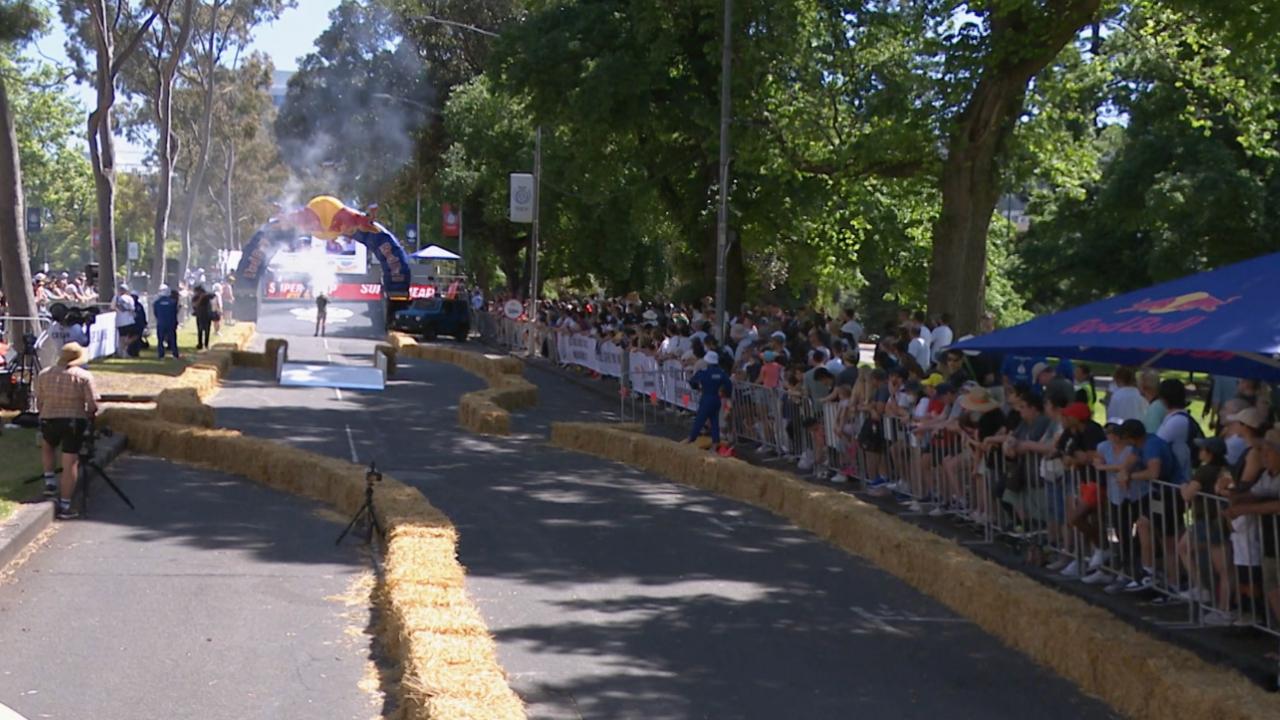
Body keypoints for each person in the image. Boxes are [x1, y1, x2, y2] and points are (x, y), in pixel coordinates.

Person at [34, 343, 98, 520]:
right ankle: (65, 505)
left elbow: (39, 401)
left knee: (47, 446)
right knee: (70, 461)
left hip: (49, 418)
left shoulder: (44, 374)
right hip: (73, 421)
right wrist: (87, 414)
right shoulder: (83, 376)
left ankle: (49, 482)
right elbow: (92, 405)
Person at [686, 351, 732, 448]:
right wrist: (726, 394)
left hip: (706, 397)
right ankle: (715, 443)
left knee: (700, 419)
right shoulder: (721, 373)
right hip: (716, 398)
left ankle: (690, 439)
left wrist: (697, 387)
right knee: (714, 420)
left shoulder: (704, 372)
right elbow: (728, 384)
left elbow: (692, 381)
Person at [153, 286, 180, 359]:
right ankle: (175, 354)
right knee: (173, 339)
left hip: (161, 323)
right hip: (171, 323)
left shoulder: (156, 302)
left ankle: (161, 355)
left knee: (160, 339)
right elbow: (175, 312)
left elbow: (155, 313)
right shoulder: (173, 302)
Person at [112, 283, 137, 358]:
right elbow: (132, 309)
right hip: (128, 320)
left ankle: (121, 352)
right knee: (129, 337)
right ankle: (123, 352)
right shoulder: (129, 298)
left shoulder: (116, 298)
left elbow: (112, 307)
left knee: (121, 337)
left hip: (119, 321)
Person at [192, 285, 214, 350]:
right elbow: (195, 305)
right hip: (200, 315)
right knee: (200, 330)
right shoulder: (195, 297)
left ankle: (206, 344)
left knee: (207, 330)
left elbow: (213, 295)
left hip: (207, 315)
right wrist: (200, 298)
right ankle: (200, 344)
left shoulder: (207, 297)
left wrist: (205, 295)